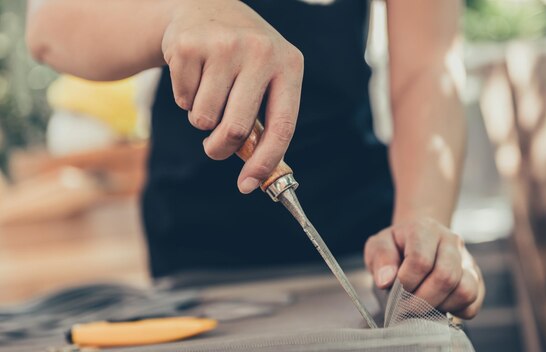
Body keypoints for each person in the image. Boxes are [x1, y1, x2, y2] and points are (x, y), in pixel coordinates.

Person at [26, 0, 484, 319]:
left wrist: (420, 226)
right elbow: (49, 24)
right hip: (195, 251)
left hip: (359, 237)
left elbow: (429, 66)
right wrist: (176, 14)